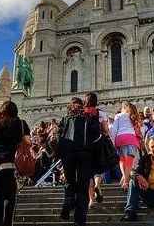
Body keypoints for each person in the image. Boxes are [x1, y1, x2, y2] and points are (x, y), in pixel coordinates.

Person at [57, 97, 100, 226]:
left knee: (69, 181)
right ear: (82, 106)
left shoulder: (65, 119)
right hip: (85, 154)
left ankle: (68, 201)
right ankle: (80, 220)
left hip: (68, 154)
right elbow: (96, 136)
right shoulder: (88, 118)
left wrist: (62, 155)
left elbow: (59, 138)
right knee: (82, 187)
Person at [111, 102, 140, 188]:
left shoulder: (118, 115)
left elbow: (114, 129)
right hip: (131, 138)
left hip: (120, 138)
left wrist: (112, 141)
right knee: (129, 161)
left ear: (124, 108)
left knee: (122, 160)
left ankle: (124, 178)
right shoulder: (133, 116)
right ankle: (126, 181)